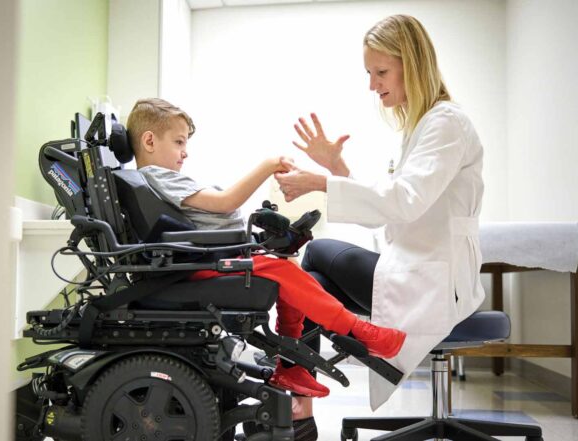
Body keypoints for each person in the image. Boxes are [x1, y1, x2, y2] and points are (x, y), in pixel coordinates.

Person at [125, 98, 406, 436]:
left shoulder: (155, 178)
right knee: (284, 271)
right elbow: (225, 202)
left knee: (287, 267)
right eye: (179, 141)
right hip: (200, 263)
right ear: (150, 141)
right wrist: (268, 165)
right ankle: (358, 332)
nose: (185, 152)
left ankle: (289, 364)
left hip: (206, 257)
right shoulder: (159, 175)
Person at [275, 14, 486, 410]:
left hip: (436, 280)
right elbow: (388, 206)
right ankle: (300, 397)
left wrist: (322, 182)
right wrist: (336, 168)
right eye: (370, 73)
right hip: (414, 268)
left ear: (413, 63)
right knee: (310, 282)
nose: (373, 85)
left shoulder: (447, 124)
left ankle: (299, 390)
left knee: (314, 257)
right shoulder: (421, 129)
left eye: (381, 71)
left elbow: (401, 202)